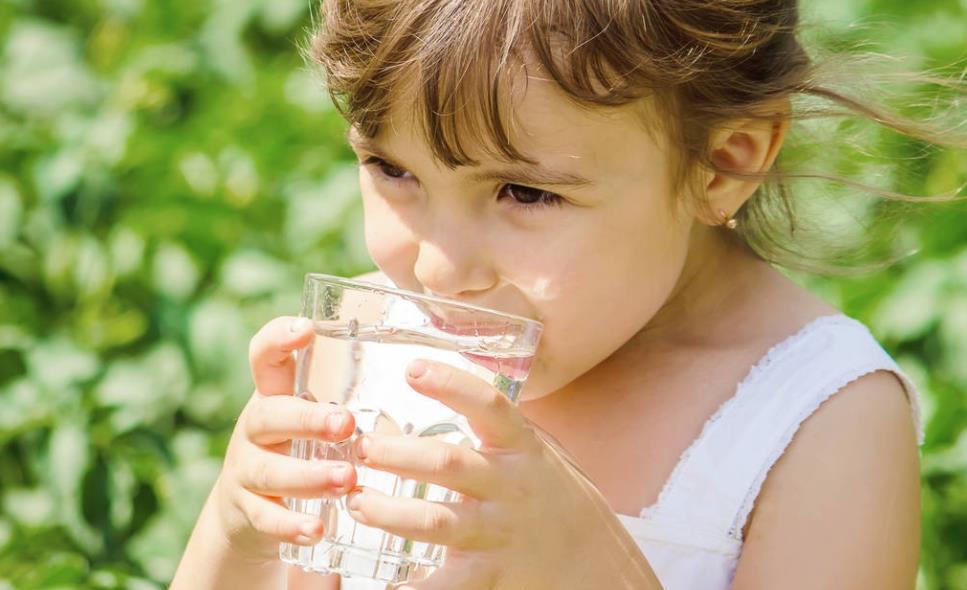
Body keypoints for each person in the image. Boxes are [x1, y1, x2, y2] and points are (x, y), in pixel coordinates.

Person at [173, 0, 963, 588]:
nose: (439, 272)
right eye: (392, 170)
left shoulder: (815, 416)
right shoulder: (383, 349)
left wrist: (584, 564)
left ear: (723, 163)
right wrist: (240, 535)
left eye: (522, 192)